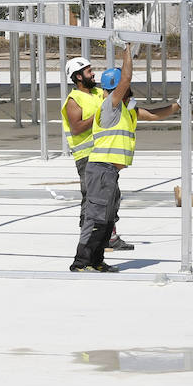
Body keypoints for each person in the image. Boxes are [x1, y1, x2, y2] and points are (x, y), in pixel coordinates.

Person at [70, 44, 180, 273]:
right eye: (123, 85)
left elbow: (153, 115)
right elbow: (126, 79)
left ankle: (96, 261)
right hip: (101, 169)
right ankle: (82, 262)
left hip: (109, 171)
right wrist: (128, 51)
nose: (129, 88)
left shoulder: (126, 109)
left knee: (108, 219)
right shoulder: (110, 106)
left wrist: (178, 105)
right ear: (116, 87)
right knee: (97, 218)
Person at [61, 56, 133, 251]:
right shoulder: (74, 100)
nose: (93, 74)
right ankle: (88, 241)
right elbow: (76, 128)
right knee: (92, 199)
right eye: (88, 71)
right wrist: (100, 117)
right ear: (78, 77)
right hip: (86, 157)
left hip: (103, 154)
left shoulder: (99, 92)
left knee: (111, 195)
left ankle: (109, 236)